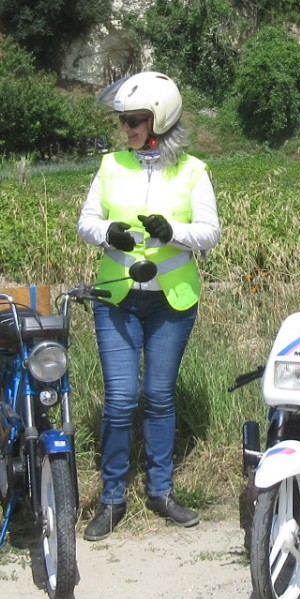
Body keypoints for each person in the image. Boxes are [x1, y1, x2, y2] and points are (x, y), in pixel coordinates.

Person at [76, 71, 219, 539]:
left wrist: (170, 233)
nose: (128, 129)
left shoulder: (193, 170)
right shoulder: (111, 165)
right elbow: (86, 222)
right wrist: (107, 234)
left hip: (171, 304)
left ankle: (161, 491)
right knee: (119, 400)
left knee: (158, 397)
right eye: (123, 121)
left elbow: (210, 234)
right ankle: (111, 498)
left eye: (135, 120)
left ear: (161, 119)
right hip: (116, 297)